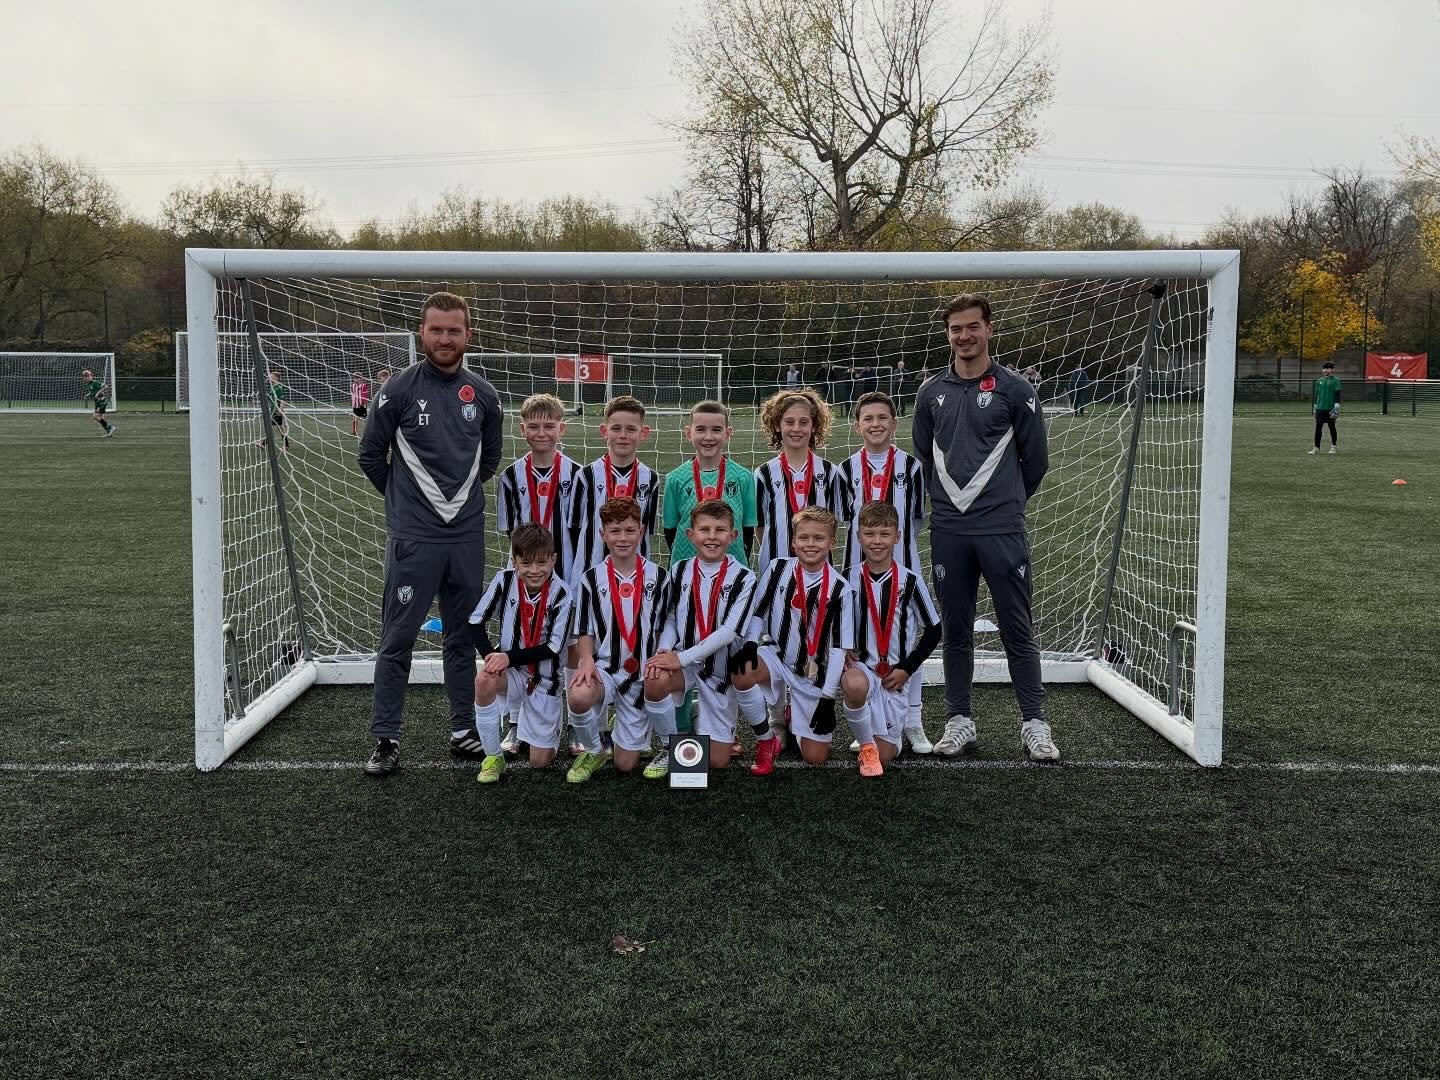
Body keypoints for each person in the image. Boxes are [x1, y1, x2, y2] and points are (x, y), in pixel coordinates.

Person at [357, 291, 504, 776]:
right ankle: (386, 738)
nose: (445, 338)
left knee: (462, 637)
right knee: (397, 638)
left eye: (454, 330)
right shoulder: (397, 391)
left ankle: (463, 731)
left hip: (464, 537)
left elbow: (489, 460)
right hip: (415, 538)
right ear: (422, 332)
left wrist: (451, 507)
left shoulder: (483, 395)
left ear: (468, 335)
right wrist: (405, 506)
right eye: (436, 329)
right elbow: (370, 456)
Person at [913, 292, 1059, 762]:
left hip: (1001, 529)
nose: (964, 336)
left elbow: (1035, 462)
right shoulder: (930, 391)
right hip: (949, 530)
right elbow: (924, 455)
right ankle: (959, 720)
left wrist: (1004, 504)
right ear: (947, 333)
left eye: (972, 326)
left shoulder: (1015, 389)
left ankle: (1034, 723)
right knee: (955, 627)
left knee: (1018, 626)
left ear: (989, 328)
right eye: (955, 328)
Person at [731, 508, 862, 775]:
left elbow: (839, 648)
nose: (810, 544)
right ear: (793, 541)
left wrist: (827, 699)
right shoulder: (777, 568)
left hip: (813, 672)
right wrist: (750, 644)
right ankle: (767, 736)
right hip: (777, 656)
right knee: (741, 671)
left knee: (815, 758)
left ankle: (793, 717)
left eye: (818, 538)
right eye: (803, 538)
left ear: (831, 542)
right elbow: (759, 611)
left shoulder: (841, 589)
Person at [838, 390, 933, 754]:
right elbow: (845, 522)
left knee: (907, 642)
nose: (875, 424)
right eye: (868, 419)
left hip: (903, 566)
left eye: (882, 418)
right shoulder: (845, 470)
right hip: (859, 574)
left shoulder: (911, 467)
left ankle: (913, 721)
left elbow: (916, 521)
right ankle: (869, 720)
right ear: (857, 424)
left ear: (894, 423)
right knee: (864, 644)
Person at [494, 393, 582, 753]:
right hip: (524, 578)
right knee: (520, 645)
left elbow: (581, 530)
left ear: (562, 428)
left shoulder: (577, 474)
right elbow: (507, 530)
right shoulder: (510, 476)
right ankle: (515, 723)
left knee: (572, 647)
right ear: (522, 429)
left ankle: (577, 723)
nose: (542, 432)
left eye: (549, 425)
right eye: (534, 426)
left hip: (566, 577)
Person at [644, 500, 761, 771]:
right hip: (685, 663)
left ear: (733, 536)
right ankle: (669, 744)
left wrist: (680, 658)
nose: (711, 537)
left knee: (716, 762)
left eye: (720, 530)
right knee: (653, 677)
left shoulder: (744, 577)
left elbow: (730, 631)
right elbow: (672, 616)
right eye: (704, 529)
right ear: (690, 535)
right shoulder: (680, 569)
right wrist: (664, 650)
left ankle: (700, 715)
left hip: (719, 670)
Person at [566, 497, 669, 783]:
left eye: (628, 530)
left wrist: (660, 656)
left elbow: (663, 627)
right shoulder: (590, 579)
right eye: (614, 531)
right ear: (602, 534)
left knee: (625, 766)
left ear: (641, 530)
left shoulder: (660, 577)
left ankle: (638, 720)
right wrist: (586, 661)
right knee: (578, 694)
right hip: (608, 669)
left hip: (643, 673)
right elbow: (584, 630)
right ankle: (595, 750)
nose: (622, 537)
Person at [467, 524, 576, 784]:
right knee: (483, 679)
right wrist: (491, 655)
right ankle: (493, 756)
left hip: (546, 679)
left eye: (541, 562)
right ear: (514, 562)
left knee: (540, 762)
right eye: (525, 563)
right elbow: (474, 622)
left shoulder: (563, 593)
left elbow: (553, 647)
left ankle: (543, 731)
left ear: (554, 559)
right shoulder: (504, 580)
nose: (534, 570)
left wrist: (508, 656)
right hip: (512, 673)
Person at [845, 501, 943, 773]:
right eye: (869, 534)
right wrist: (844, 649)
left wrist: (906, 669)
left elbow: (934, 629)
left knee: (887, 756)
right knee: (852, 684)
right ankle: (866, 744)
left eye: (884, 534)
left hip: (894, 678)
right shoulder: (848, 579)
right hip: (863, 669)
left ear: (897, 536)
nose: (877, 541)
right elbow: (832, 623)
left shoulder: (910, 581)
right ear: (858, 536)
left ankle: (888, 739)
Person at [754, 387, 844, 567]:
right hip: (775, 566)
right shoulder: (763, 473)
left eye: (803, 422)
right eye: (789, 422)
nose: (796, 428)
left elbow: (833, 523)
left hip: (818, 568)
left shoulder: (829, 471)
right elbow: (760, 527)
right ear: (778, 425)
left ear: (814, 425)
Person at [662, 400, 757, 564]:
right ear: (688, 433)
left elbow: (747, 530)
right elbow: (669, 530)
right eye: (700, 429)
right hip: (686, 565)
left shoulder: (743, 477)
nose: (708, 437)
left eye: (716, 430)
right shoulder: (675, 478)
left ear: (727, 433)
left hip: (733, 567)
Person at [572, 395, 660, 570]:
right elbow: (575, 527)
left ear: (643, 433)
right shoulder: (585, 475)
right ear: (604, 431)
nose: (623, 435)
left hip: (636, 574)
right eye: (616, 428)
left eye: (631, 429)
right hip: (590, 568)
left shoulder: (650, 478)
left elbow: (646, 529)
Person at [1309, 361, 1341, 455]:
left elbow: (1337, 393)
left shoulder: (1335, 380)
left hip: (1330, 408)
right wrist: (1314, 405)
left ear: (1331, 370)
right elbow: (1316, 394)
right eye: (1324, 368)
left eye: (1327, 368)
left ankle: (1333, 446)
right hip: (1320, 408)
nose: (1325, 370)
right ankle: (1316, 448)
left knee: (1332, 427)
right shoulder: (1319, 381)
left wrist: (1336, 405)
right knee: (1318, 427)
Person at [253, 371, 291, 451]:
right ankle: (286, 446)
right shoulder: (272, 387)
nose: (269, 377)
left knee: (270, 427)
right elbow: (269, 398)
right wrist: (259, 397)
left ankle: (263, 444)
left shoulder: (279, 387)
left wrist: (280, 410)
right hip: (273, 410)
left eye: (270, 376)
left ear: (275, 378)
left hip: (277, 411)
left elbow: (282, 400)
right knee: (280, 429)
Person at [82, 369, 116, 437]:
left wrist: (98, 393)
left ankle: (110, 427)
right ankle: (109, 432)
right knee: (101, 418)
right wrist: (87, 396)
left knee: (95, 416)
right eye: (85, 376)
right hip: (97, 403)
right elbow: (92, 392)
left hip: (101, 402)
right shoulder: (88, 384)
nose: (87, 377)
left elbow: (105, 386)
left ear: (91, 376)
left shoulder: (95, 382)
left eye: (88, 376)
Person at [350, 372, 370, 437]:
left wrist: (364, 403)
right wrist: (352, 403)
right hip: (355, 405)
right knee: (354, 419)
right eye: (355, 378)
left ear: (361, 378)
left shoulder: (363, 386)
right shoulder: (352, 386)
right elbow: (352, 395)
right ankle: (354, 432)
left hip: (362, 405)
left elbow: (365, 395)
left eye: (358, 378)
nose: (357, 380)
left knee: (364, 419)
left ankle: (368, 431)